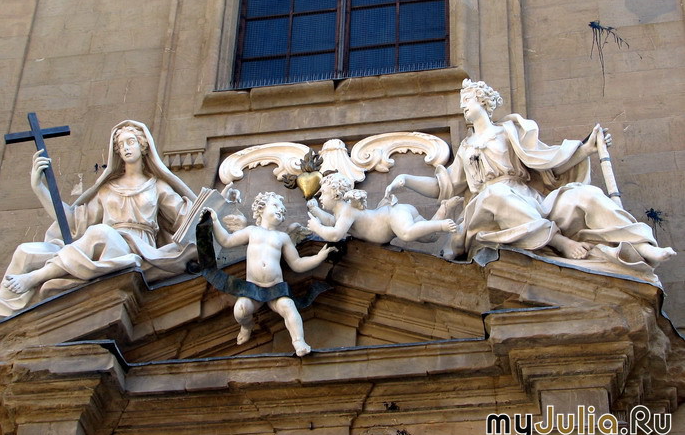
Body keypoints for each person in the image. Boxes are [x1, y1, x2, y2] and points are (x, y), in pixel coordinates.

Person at [384, 79, 676, 267]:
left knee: (585, 194)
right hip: (488, 209)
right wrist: (406, 180)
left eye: (467, 100)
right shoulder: (467, 147)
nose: (462, 105)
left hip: (529, 200)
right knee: (497, 194)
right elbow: (443, 187)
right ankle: (559, 241)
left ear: (483, 102)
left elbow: (547, 164)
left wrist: (585, 150)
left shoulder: (510, 132)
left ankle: (641, 245)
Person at [0, 120, 204, 327]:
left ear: (143, 146)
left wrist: (217, 221)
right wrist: (39, 188)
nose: (126, 148)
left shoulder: (157, 187)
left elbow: (187, 218)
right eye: (121, 145)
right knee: (26, 252)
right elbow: (72, 222)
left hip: (136, 248)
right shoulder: (107, 189)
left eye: (131, 142)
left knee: (101, 232)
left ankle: (35, 278)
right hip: (96, 247)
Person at [205, 192, 337, 357]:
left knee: (288, 307)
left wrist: (319, 257)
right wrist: (215, 221)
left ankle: (299, 341)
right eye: (275, 205)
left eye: (283, 209)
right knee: (240, 310)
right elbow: (226, 241)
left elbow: (297, 263)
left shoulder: (283, 237)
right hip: (253, 288)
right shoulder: (251, 231)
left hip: (275, 288)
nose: (281, 210)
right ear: (261, 208)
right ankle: (247, 326)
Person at [306, 173, 461, 244]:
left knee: (406, 233)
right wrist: (314, 209)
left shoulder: (347, 210)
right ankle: (444, 208)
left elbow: (335, 235)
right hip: (395, 216)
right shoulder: (340, 216)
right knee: (430, 238)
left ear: (336, 195)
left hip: (392, 215)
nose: (320, 197)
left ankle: (441, 224)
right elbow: (331, 222)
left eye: (323, 193)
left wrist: (317, 227)